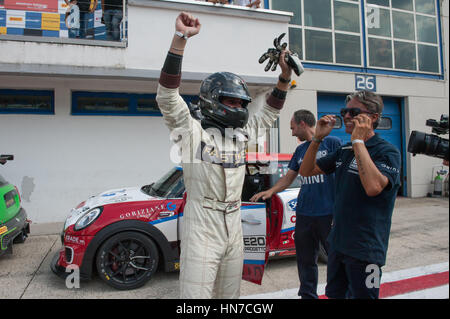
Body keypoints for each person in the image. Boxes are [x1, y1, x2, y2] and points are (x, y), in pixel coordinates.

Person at [156, 12, 296, 299]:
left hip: (235, 220)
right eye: (229, 100)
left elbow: (269, 112)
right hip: (202, 222)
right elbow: (168, 98)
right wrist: (180, 39)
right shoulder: (192, 133)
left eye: (241, 102)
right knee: (196, 298)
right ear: (211, 100)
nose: (237, 105)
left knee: (230, 296)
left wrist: (284, 77)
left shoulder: (241, 137)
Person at [299, 90, 401, 299]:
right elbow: (306, 171)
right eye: (344, 111)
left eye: (353, 112)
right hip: (338, 244)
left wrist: (358, 142)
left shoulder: (387, 151)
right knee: (335, 295)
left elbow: (373, 187)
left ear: (372, 118)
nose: (346, 116)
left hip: (366, 250)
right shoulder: (344, 149)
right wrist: (317, 138)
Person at [250, 110, 340, 299]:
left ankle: (338, 293)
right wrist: (271, 191)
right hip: (305, 213)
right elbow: (289, 178)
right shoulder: (300, 150)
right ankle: (307, 295)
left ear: (302, 124)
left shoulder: (333, 143)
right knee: (305, 260)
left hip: (328, 213)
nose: (291, 133)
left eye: (292, 128)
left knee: (336, 258)